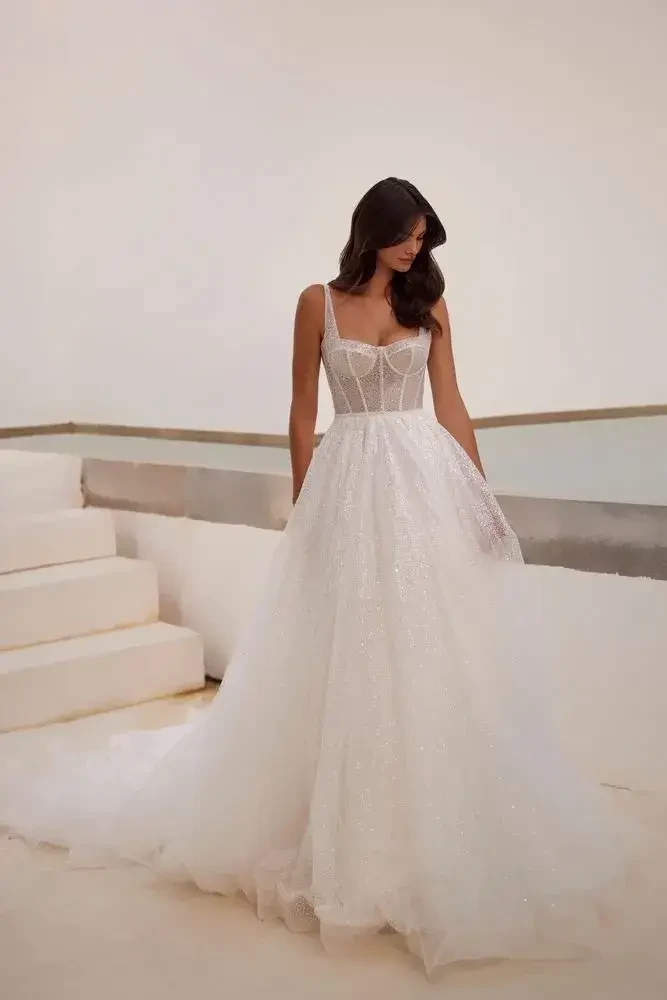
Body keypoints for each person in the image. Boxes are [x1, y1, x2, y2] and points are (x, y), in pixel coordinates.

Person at [0, 177, 642, 975]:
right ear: (370, 232)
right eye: (405, 235)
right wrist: (305, 505)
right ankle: (328, 821)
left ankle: (422, 824)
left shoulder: (430, 305)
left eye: (422, 237)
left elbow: (452, 406)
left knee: (428, 647)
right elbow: (302, 412)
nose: (416, 249)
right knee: (345, 647)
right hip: (347, 482)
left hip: (420, 484)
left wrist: (481, 499)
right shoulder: (317, 302)